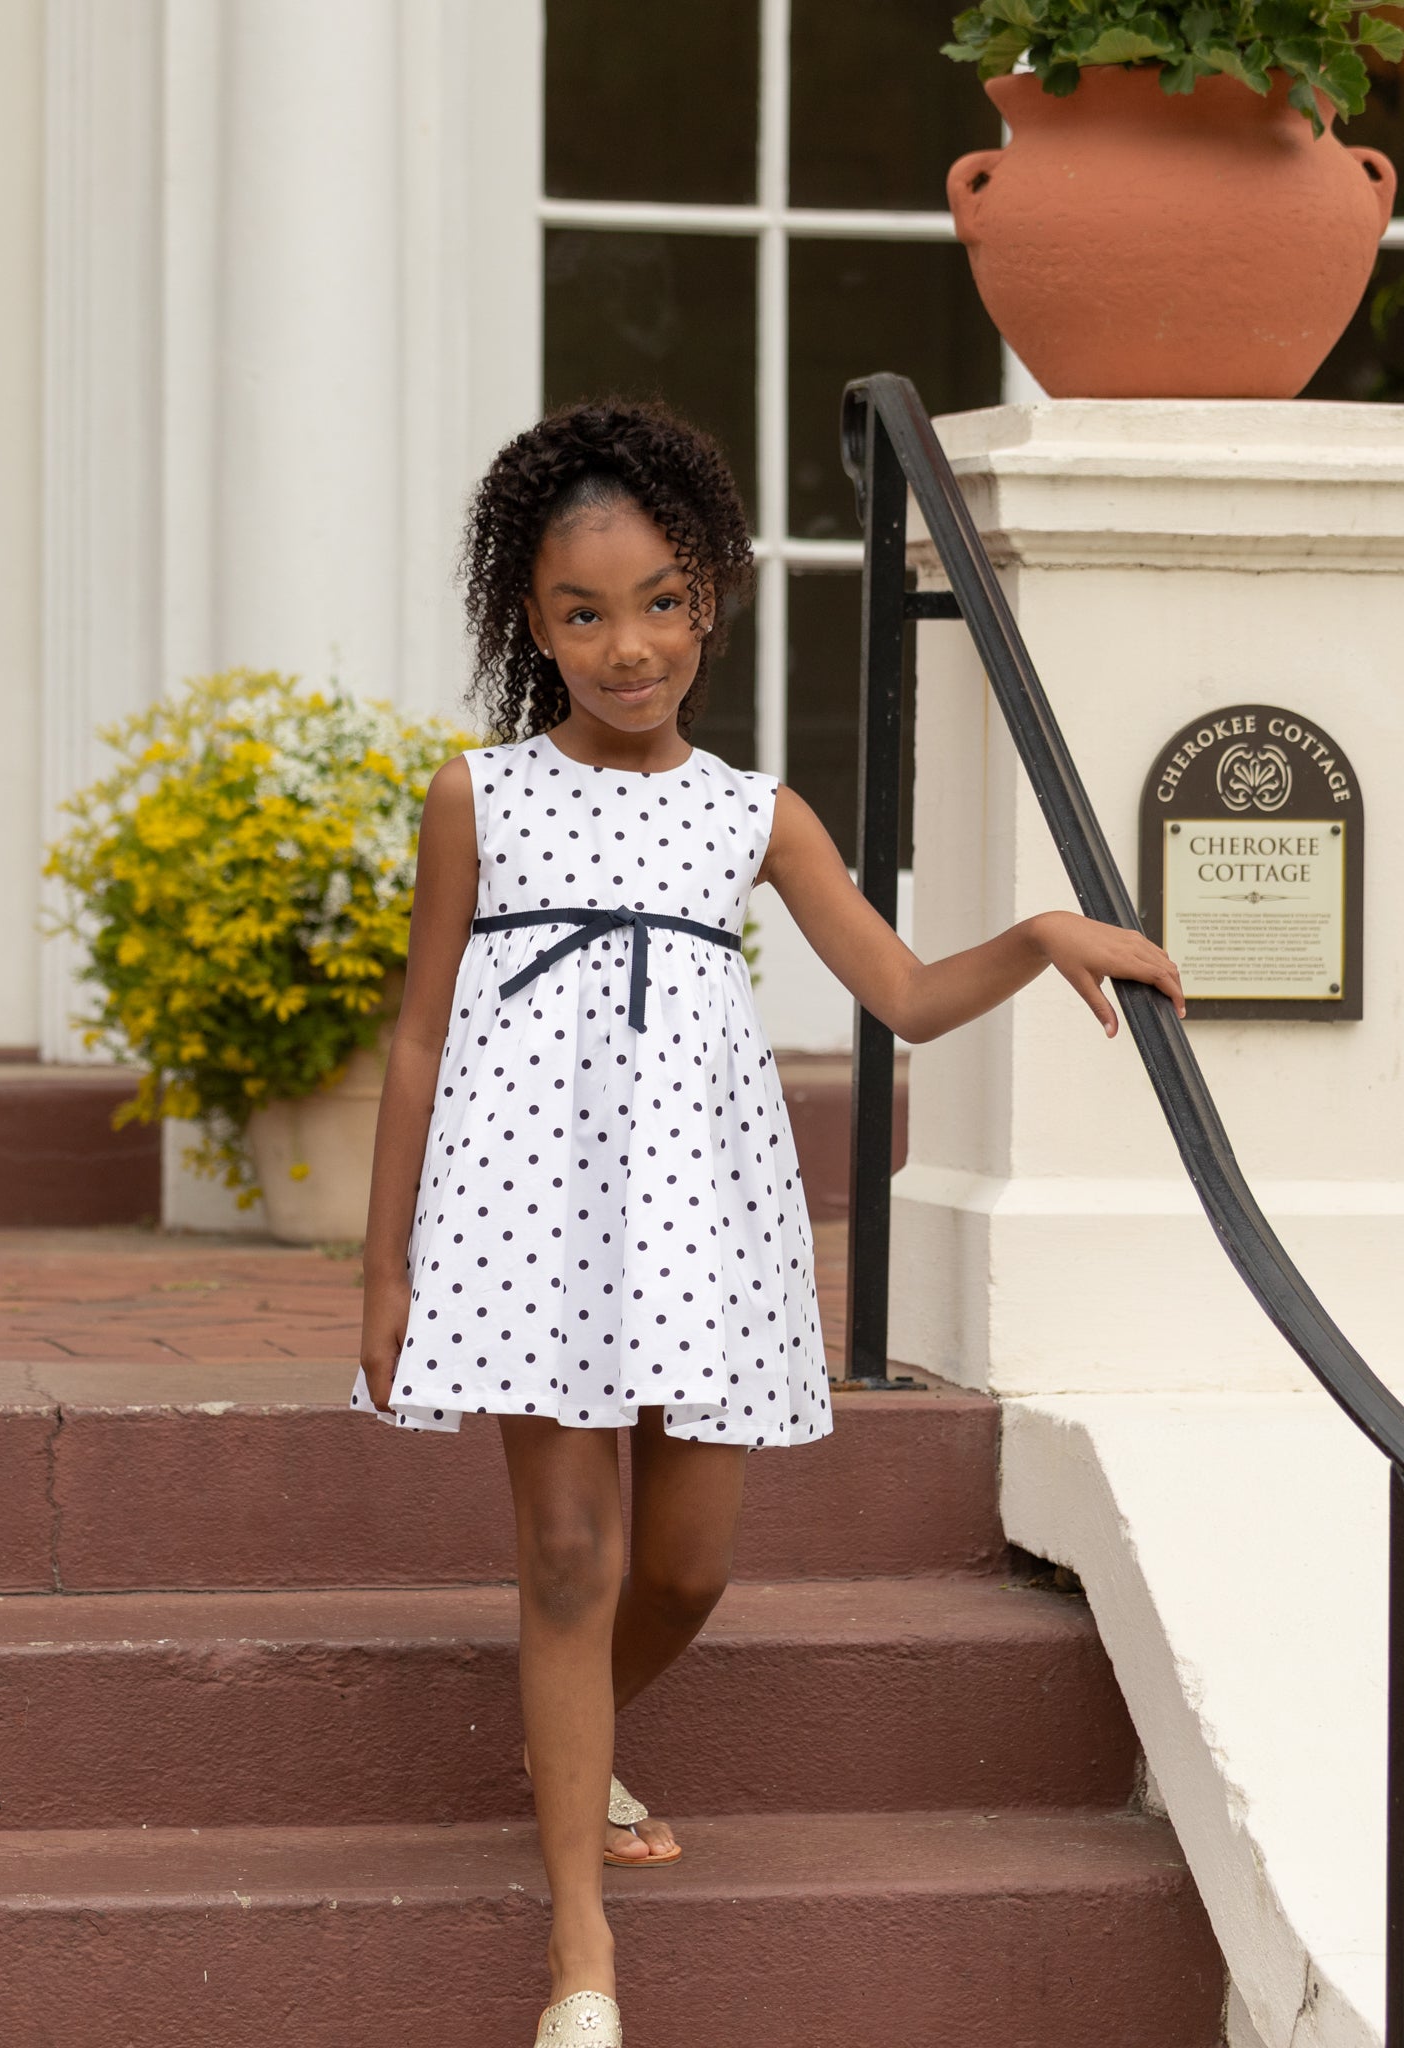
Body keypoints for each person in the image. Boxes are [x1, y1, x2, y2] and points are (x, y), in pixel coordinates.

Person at [351, 397, 1186, 2046]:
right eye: (582, 613)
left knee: (689, 1565)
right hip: (523, 1216)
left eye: (660, 601)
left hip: (696, 1229)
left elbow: (903, 992)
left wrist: (1037, 933)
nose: (626, 645)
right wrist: (386, 1269)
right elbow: (420, 1036)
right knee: (570, 1553)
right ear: (531, 622)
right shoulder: (481, 798)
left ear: (712, 599)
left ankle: (562, 1745)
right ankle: (580, 1955)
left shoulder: (756, 812)